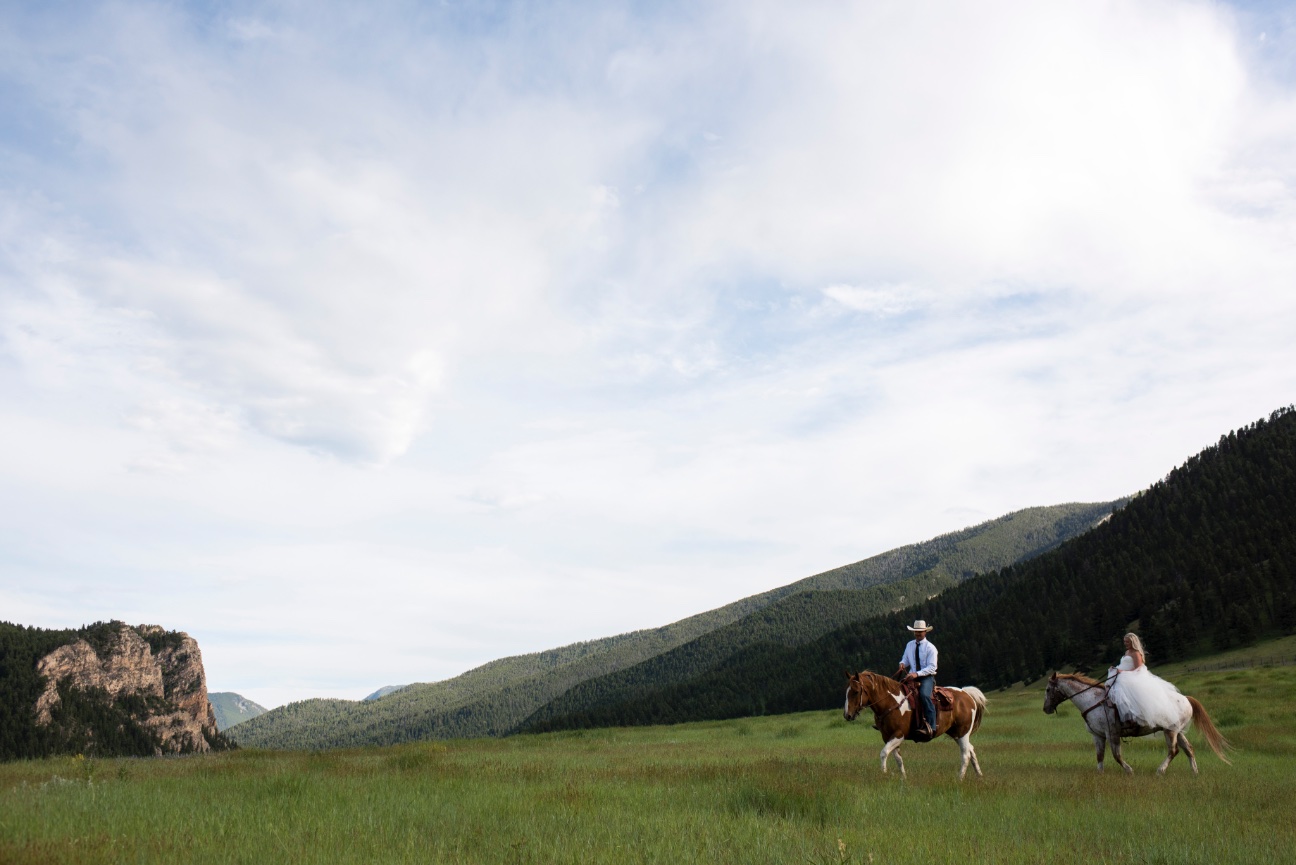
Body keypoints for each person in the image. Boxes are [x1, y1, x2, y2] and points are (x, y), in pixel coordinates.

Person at [1106, 632, 1188, 730]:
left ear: (1133, 642)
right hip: (1122, 674)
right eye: (1124, 642)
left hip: (1133, 675)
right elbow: (1125, 664)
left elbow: (1138, 668)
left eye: (1127, 642)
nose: (1125, 644)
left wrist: (1122, 672)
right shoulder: (1127, 652)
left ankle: (1132, 717)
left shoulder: (1136, 653)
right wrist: (1116, 669)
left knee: (1125, 691)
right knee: (1110, 685)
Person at [897, 619, 938, 736]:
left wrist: (917, 674)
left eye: (920, 632)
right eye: (916, 631)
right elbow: (905, 659)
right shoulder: (909, 645)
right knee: (897, 691)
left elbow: (932, 667)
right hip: (911, 676)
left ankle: (932, 725)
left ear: (925, 632)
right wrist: (902, 664)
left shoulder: (931, 648)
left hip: (926, 677)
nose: (917, 634)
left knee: (924, 695)